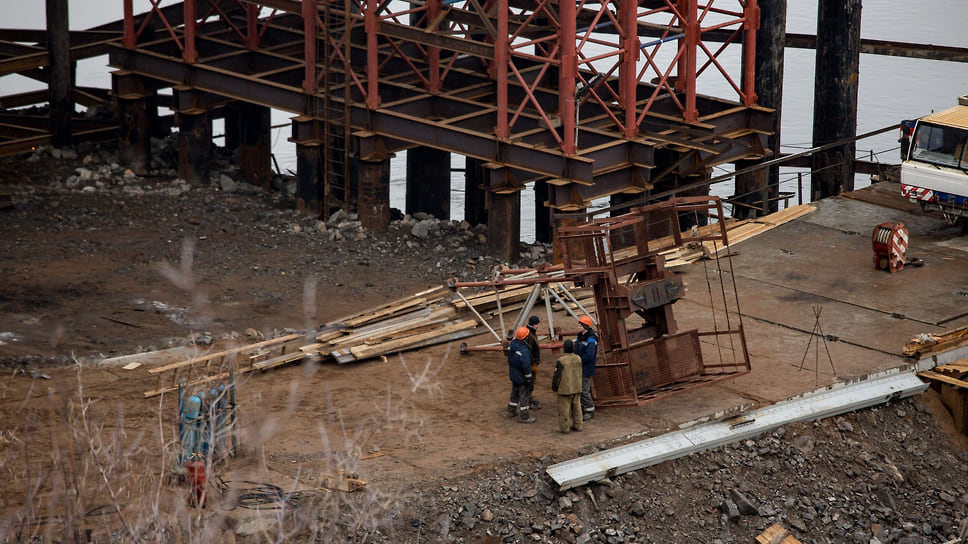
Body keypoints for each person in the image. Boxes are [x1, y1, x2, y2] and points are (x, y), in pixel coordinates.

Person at [551, 339, 583, 433]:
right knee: (577, 407)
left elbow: (557, 375)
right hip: (576, 386)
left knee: (564, 409)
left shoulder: (562, 360)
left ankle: (565, 428)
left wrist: (554, 386)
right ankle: (578, 425)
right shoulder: (578, 358)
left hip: (565, 388)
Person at [506, 326, 535, 423]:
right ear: (526, 337)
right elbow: (526, 366)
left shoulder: (512, 345)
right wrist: (529, 378)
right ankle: (524, 416)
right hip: (521, 376)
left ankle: (511, 410)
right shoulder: (524, 351)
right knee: (524, 395)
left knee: (514, 392)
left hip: (513, 373)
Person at [574, 315, 598, 421]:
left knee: (584, 390)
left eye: (579, 326)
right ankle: (583, 408)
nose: (578, 327)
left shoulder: (591, 340)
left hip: (586, 368)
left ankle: (590, 410)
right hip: (580, 368)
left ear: (585, 327)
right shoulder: (581, 337)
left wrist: (577, 360)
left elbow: (589, 356)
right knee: (580, 389)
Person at [523, 315, 541, 410]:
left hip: (532, 362)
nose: (538, 326)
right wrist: (532, 363)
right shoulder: (530, 335)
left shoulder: (531, 333)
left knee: (530, 381)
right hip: (530, 363)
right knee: (529, 382)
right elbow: (529, 351)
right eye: (537, 324)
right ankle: (528, 400)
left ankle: (529, 398)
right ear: (534, 324)